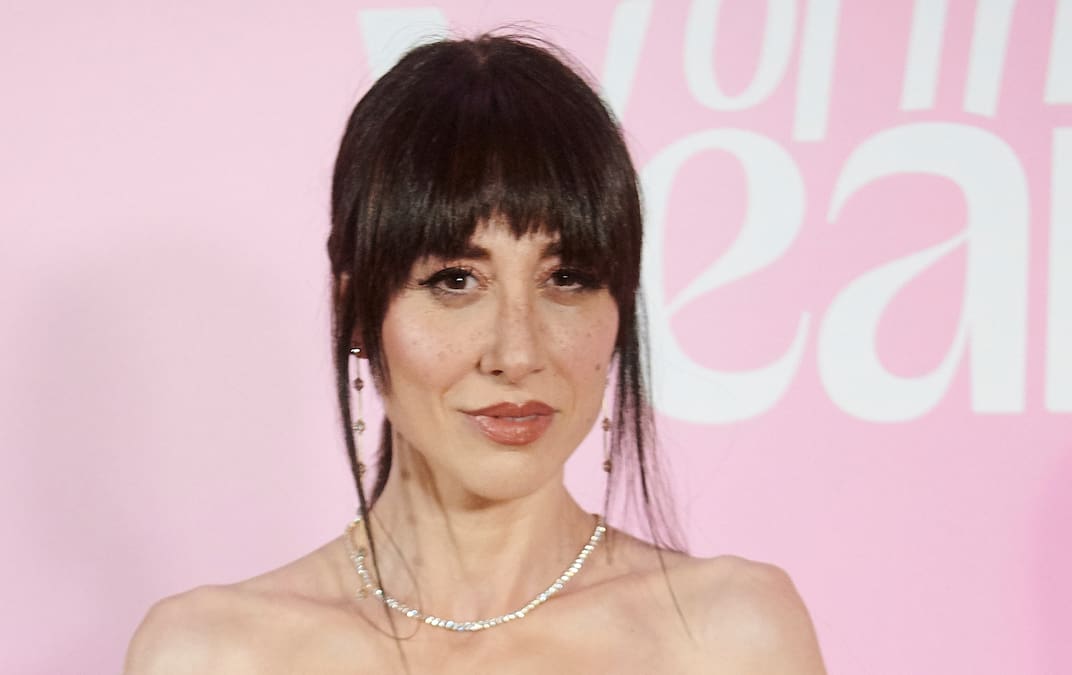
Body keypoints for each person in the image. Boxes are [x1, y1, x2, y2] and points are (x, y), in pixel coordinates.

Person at [124, 33, 827, 674]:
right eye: (455, 281)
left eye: (567, 278)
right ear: (356, 311)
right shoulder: (211, 653)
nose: (517, 354)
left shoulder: (729, 638)